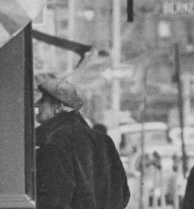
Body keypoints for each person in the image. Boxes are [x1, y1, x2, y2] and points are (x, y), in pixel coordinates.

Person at [35, 78, 130, 209]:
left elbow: (53, 202)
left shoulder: (55, 143)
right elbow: (123, 195)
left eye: (43, 101)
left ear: (58, 107)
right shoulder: (104, 140)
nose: (36, 105)